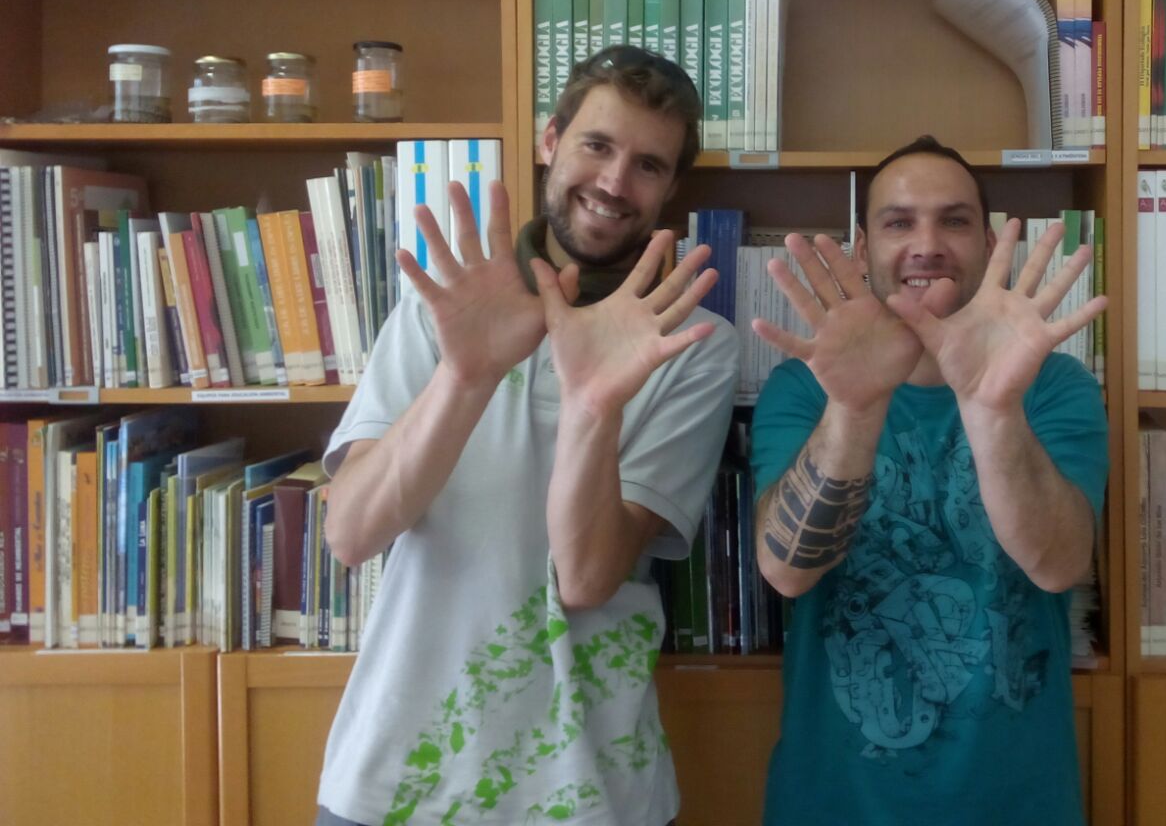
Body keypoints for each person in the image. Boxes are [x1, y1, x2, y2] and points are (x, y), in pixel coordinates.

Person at [315, 46, 739, 826]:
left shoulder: (696, 346)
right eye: (597, 146)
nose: (614, 183)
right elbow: (349, 533)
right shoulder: (440, 309)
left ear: (672, 188)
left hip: (588, 792)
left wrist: (592, 399)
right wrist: (465, 376)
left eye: (648, 165)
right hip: (391, 781)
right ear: (550, 140)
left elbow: (585, 578)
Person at [750, 135, 1108, 825]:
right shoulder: (803, 389)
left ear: (986, 240)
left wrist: (992, 406)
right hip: (833, 803)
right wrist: (854, 407)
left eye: (954, 220)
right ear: (861, 249)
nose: (927, 243)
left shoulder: (1055, 387)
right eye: (898, 222)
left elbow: (1060, 564)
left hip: (1016, 804)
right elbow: (787, 572)